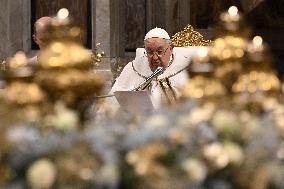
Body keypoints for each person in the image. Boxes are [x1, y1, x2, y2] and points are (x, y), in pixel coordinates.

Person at [100, 27, 192, 115]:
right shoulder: (133, 68)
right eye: (150, 52)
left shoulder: (185, 69)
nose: (155, 58)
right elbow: (112, 100)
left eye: (160, 52)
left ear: (171, 48)